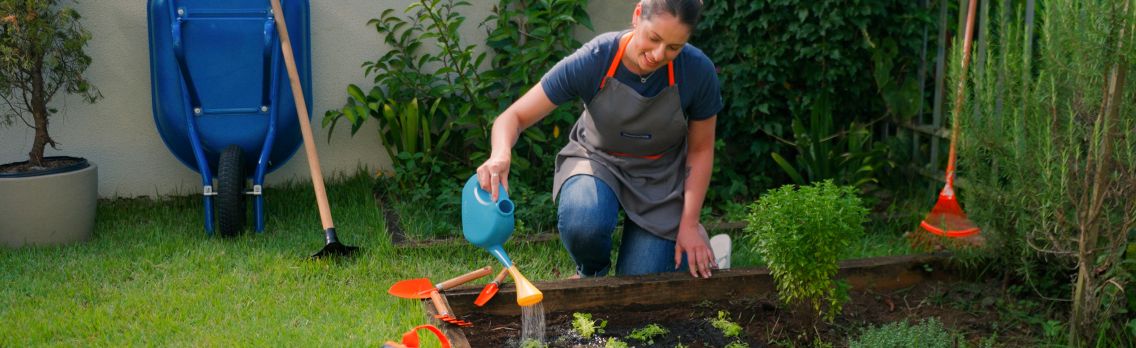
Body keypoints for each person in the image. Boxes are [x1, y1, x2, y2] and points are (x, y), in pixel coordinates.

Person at [475, 0, 721, 279]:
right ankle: (591, 275)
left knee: (640, 284)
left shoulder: (697, 70)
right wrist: (500, 154)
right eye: (653, 38)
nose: (658, 54)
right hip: (597, 161)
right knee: (583, 221)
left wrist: (689, 223)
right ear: (637, 15)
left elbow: (701, 150)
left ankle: (692, 236)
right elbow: (513, 117)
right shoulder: (595, 59)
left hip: (659, 178)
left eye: (674, 47)